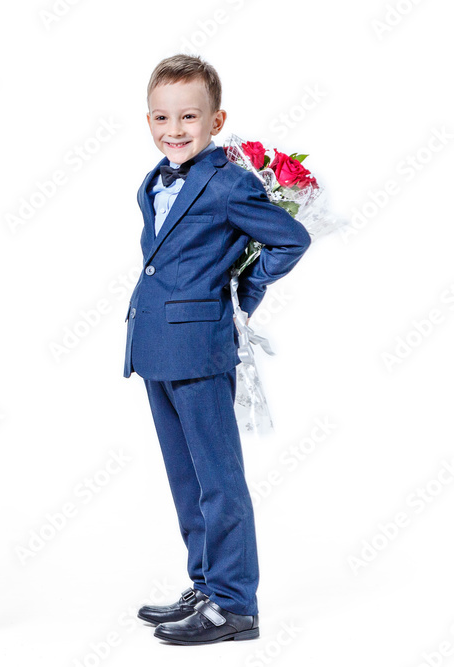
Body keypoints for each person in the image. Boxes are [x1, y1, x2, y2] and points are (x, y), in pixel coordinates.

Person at [123, 55, 311, 645]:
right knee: (186, 479)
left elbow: (291, 237)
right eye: (161, 116)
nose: (173, 129)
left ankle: (235, 603)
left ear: (216, 119)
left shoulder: (227, 180)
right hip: (156, 344)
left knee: (219, 478)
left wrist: (238, 296)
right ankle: (205, 583)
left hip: (201, 346)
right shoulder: (154, 178)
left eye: (188, 117)